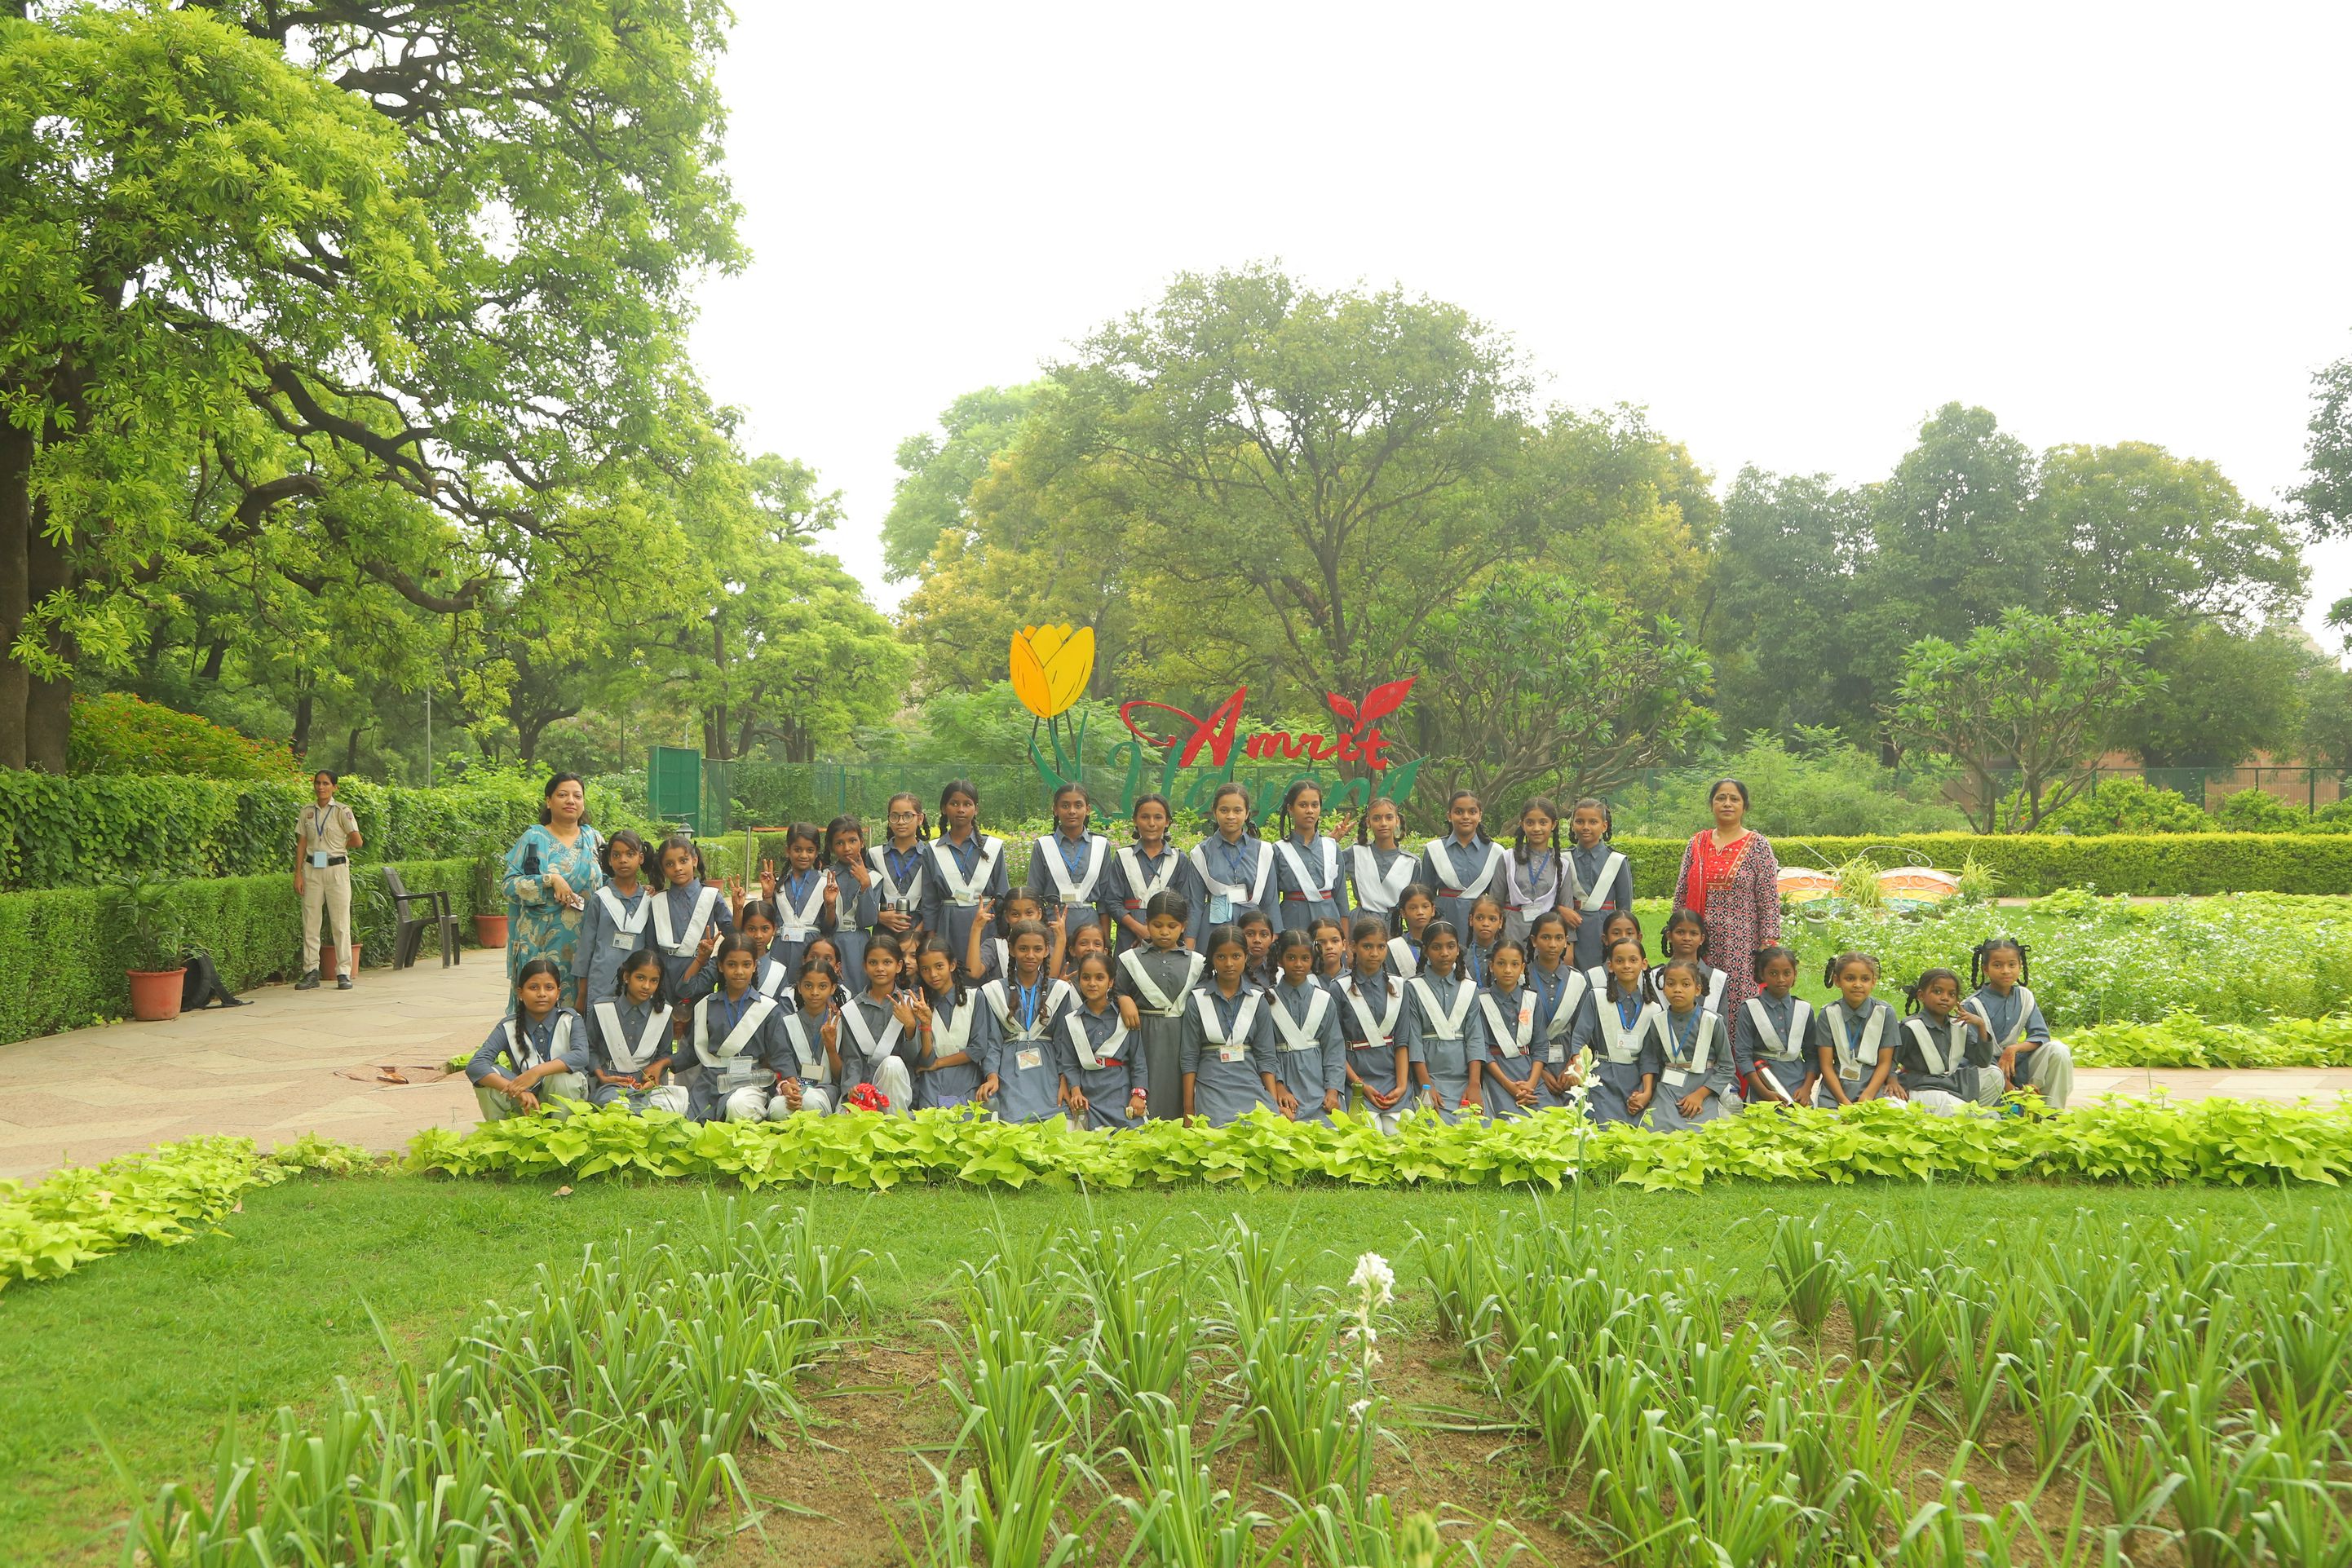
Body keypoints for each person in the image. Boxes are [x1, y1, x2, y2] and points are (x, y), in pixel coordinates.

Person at [1672, 777, 1782, 1018]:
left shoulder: (1758, 845)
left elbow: (1768, 898)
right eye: (1721, 798)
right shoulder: (1697, 843)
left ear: (1744, 806)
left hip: (1741, 944)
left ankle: (1734, 1043)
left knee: (1738, 998)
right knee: (1696, 992)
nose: (1727, 803)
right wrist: (1677, 931)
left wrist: (1767, 943)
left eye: (1734, 799)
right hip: (1698, 940)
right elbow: (1681, 892)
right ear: (1712, 804)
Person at [500, 773, 604, 998]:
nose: (571, 801)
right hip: (540, 941)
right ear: (549, 801)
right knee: (541, 1004)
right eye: (563, 795)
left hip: (585, 940)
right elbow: (508, 886)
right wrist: (549, 880)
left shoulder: (594, 839)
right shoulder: (534, 838)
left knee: (580, 1005)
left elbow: (611, 881)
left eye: (577, 796)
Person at [1114, 890, 1205, 1120]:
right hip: (1143, 1035)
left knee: (1179, 1089)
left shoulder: (1197, 963)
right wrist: (1123, 999)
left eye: (1172, 926)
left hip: (1183, 1035)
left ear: (1184, 926)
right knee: (1146, 1083)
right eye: (1157, 925)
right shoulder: (1130, 959)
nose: (1164, 932)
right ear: (1146, 923)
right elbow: (1118, 990)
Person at [467, 956, 590, 1120]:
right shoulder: (508, 1026)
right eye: (533, 987)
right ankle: (502, 1131)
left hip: (562, 1099)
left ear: (558, 992)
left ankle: (563, 1130)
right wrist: (518, 1090)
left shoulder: (570, 1019)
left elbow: (581, 1055)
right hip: (523, 1103)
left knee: (563, 1078)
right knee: (488, 1079)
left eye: (549, 988)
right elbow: (476, 1065)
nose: (542, 994)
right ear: (520, 993)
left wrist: (536, 1072)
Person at [1180, 924, 1277, 1126]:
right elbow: (1189, 1058)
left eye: (1236, 956)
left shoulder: (1257, 999)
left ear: (1246, 957)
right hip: (1211, 1086)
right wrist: (1188, 1109)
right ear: (1212, 958)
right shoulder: (1197, 999)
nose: (1229, 963)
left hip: (1250, 1083)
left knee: (1263, 1131)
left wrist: (1273, 1103)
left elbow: (1266, 1056)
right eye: (1221, 957)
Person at [978, 917, 1071, 1124]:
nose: (1030, 955)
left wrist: (1066, 1080)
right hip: (1009, 1071)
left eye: (1037, 949)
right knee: (1012, 1122)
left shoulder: (1059, 991)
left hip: (1049, 1073)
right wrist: (992, 1076)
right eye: (1023, 949)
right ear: (1011, 950)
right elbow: (992, 1042)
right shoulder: (994, 991)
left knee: (1056, 1123)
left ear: (1046, 951)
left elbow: (1064, 1042)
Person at [1967, 938, 2076, 1110]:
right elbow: (1974, 1055)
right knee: (1995, 1089)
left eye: (2012, 965)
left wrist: (2013, 1049)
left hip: (2016, 1062)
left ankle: (2051, 1112)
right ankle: (2017, 1101)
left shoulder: (2025, 997)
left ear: (2020, 966)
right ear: (1985, 969)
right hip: (1986, 1068)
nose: (2006, 971)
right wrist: (2011, 1089)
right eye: (1997, 965)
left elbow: (2040, 1036)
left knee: (2058, 1050)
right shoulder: (1972, 1005)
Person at [1400, 919, 1488, 1124]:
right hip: (1429, 1077)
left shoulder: (1469, 989)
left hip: (1464, 1078)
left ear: (1458, 949)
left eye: (1451, 946)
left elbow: (1475, 1038)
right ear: (1425, 951)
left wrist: (1474, 1084)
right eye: (1436, 947)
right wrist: (1426, 1086)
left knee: (1477, 1126)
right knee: (1432, 1124)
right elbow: (1414, 1040)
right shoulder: (1413, 988)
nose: (1444, 953)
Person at [581, 948, 690, 1114]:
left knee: (671, 1107)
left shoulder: (664, 1013)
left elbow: (664, 1053)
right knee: (618, 1109)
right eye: (640, 978)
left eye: (654, 981)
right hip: (609, 1083)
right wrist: (602, 1076)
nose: (646, 986)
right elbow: (589, 1048)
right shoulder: (603, 1009)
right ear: (627, 977)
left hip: (645, 1086)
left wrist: (651, 1079)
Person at [1571, 936, 1663, 1126]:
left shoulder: (1653, 1009)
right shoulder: (1596, 998)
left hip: (1636, 1080)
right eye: (1620, 961)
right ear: (1610, 966)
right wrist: (1578, 1065)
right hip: (1602, 1077)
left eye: (1633, 960)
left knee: (1636, 1129)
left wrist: (1646, 1092)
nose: (1626, 965)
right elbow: (1580, 1037)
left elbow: (1649, 1057)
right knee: (1604, 1127)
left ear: (1644, 964)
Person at [922, 779, 1009, 965]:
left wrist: (1004, 931)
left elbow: (1002, 893)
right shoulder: (933, 850)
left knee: (983, 970)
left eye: (967, 804)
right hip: (948, 926)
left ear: (976, 809)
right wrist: (931, 937)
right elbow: (930, 900)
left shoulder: (992, 847)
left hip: (986, 924)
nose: (961, 809)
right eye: (954, 804)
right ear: (944, 808)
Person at [1338, 915, 1412, 1133]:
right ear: (1353, 947)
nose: (1374, 953)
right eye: (1367, 946)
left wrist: (1402, 1086)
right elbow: (1335, 1047)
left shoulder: (1400, 987)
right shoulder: (1339, 988)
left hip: (1393, 1079)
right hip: (1357, 1080)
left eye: (1381, 946)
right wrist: (1359, 1085)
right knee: (1369, 1133)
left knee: (1399, 1133)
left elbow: (1402, 1042)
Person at [1264, 928, 1345, 1124]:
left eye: (1305, 958)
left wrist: (1333, 1090)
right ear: (1280, 959)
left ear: (1313, 960)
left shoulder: (1324, 999)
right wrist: (1279, 1087)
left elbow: (1334, 1049)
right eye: (1291, 958)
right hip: (1282, 1084)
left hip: (1318, 1084)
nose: (1298, 964)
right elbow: (1265, 1051)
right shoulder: (1267, 1000)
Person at [1060, 950, 1148, 1131]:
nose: (1092, 983)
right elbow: (1069, 1064)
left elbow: (1138, 1061)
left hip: (1121, 1094)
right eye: (1086, 978)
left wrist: (1138, 1094)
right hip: (1088, 1098)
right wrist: (1075, 1091)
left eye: (1099, 978)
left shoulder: (1125, 1017)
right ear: (1079, 980)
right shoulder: (1072, 1021)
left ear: (1111, 982)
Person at [1647, 957, 1737, 1130]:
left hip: (1704, 1087)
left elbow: (1727, 1067)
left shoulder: (1713, 1021)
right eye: (1671, 984)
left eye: (1685, 984)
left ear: (1697, 990)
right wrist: (1646, 1091)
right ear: (1663, 989)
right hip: (1667, 1090)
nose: (1677, 989)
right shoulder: (1658, 1021)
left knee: (1703, 1131)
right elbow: (1652, 1061)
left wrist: (1700, 1095)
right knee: (1656, 1128)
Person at [1898, 968, 2004, 1115]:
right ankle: (1973, 1116)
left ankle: (1973, 1114)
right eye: (1937, 992)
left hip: (1949, 1082)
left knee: (1994, 1074)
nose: (1945, 998)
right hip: (1922, 1087)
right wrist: (1892, 1081)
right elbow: (1889, 1060)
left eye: (1952, 994)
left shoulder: (1958, 1025)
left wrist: (1981, 1025)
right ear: (1921, 995)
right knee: (1959, 1109)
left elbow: (1983, 1061)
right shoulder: (1911, 1027)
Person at [294, 769, 363, 991]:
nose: (321, 787)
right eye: (318, 783)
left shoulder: (342, 811)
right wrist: (298, 874)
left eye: (325, 783)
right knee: (311, 922)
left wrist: (338, 847)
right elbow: (302, 844)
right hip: (313, 869)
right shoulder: (307, 812)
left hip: (336, 869)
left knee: (340, 922)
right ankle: (311, 972)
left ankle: (343, 972)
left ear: (334, 787)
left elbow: (357, 840)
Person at [912, 936, 997, 1111]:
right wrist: (926, 1025)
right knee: (931, 1122)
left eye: (939, 966)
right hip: (932, 1082)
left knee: (964, 1121)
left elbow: (978, 1049)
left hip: (967, 1078)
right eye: (925, 969)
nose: (933, 974)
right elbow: (926, 1060)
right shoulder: (919, 1003)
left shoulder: (974, 997)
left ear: (952, 965)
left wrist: (938, 1063)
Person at [838, 939, 920, 1115]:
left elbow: (914, 1058)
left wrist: (910, 1026)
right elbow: (852, 1058)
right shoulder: (853, 1009)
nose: (880, 968)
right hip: (864, 1086)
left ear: (899, 966)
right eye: (873, 962)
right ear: (865, 966)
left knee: (893, 1064)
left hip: (899, 1085)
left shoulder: (910, 1003)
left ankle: (896, 1122)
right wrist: (853, 1086)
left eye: (887, 962)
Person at [574, 828, 654, 1009]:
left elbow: (651, 947)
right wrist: (582, 993)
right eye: (616, 855)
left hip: (639, 984)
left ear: (641, 858)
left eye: (630, 854)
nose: (623, 860)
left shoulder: (649, 900)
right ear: (609, 860)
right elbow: (586, 948)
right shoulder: (600, 899)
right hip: (601, 982)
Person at [1026, 781, 1115, 943]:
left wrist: (1105, 941)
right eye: (1065, 806)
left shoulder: (1101, 845)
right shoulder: (1044, 845)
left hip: (1090, 929)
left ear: (1088, 809)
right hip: (1051, 925)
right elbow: (1034, 896)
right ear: (1055, 809)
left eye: (1078, 805)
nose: (1072, 811)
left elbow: (1105, 900)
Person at [1188, 783, 1275, 947]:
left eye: (1237, 810)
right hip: (1214, 927)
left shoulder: (1263, 851)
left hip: (1254, 928)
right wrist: (1190, 944)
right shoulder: (1201, 853)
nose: (1230, 816)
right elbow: (1195, 904)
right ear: (1214, 812)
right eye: (1224, 810)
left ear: (1247, 813)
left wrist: (1273, 938)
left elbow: (1270, 901)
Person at [649, 833, 731, 1006]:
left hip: (700, 972)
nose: (677, 868)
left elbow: (733, 935)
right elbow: (650, 947)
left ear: (694, 860)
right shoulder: (656, 901)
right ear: (663, 869)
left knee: (699, 1017)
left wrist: (738, 911)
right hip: (664, 974)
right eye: (669, 864)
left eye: (683, 861)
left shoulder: (711, 896)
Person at [1106, 793, 1195, 952]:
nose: (1151, 823)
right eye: (1145, 817)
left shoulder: (1178, 859)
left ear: (1167, 821)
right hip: (1129, 939)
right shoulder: (1123, 857)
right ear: (1135, 820)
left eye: (1158, 817)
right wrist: (1139, 929)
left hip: (1168, 940)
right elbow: (1113, 901)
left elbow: (1185, 903)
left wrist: (1157, 933)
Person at [1811, 952, 1900, 1108]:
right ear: (1837, 981)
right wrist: (1843, 1101)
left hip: (1873, 1086)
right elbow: (1826, 1065)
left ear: (1873, 982)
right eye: (1850, 978)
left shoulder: (1885, 1013)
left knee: (1888, 1115)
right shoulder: (1828, 1013)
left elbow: (1885, 1062)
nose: (1858, 985)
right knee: (1830, 1120)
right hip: (1836, 1089)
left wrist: (1868, 1095)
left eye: (1865, 979)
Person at [1523, 910, 1589, 1110]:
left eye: (1559, 938)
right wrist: (1540, 1072)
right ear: (1534, 941)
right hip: (1530, 1059)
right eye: (1546, 937)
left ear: (1566, 941)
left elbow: (1582, 1028)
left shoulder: (1577, 980)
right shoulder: (1521, 978)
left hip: (1567, 1055)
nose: (1552, 944)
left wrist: (1573, 1064)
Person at [1737, 945, 1815, 1110]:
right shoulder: (1750, 1008)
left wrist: (1806, 1089)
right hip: (1763, 1083)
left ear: (1795, 975)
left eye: (1787, 973)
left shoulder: (1804, 1009)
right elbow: (1743, 1056)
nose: (1781, 979)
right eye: (1773, 973)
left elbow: (1812, 1055)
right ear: (1762, 974)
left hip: (1798, 1085)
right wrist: (1765, 1093)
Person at [1421, 790, 1510, 933]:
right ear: (1449, 816)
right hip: (1442, 921)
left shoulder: (1496, 852)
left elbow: (1497, 898)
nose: (1466, 817)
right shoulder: (1434, 849)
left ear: (1480, 816)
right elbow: (1425, 895)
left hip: (1481, 923)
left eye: (1472, 812)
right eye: (1459, 812)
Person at [757, 823, 838, 979]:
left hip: (811, 951)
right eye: (798, 850)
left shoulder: (825, 884)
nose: (804, 855)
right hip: (780, 951)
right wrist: (767, 895)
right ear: (788, 851)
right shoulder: (778, 884)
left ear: (816, 852)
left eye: (810, 850)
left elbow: (828, 928)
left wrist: (830, 905)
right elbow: (770, 920)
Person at [1271, 779, 1350, 934]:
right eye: (1303, 805)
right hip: (1293, 922)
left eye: (1315, 805)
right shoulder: (1278, 850)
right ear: (1290, 808)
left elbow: (1341, 898)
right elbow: (1272, 899)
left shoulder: (1332, 847)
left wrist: (1345, 940)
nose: (1310, 811)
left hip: (1329, 922)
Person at [771, 958, 846, 1119]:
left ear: (833, 988)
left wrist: (831, 1047)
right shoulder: (786, 1023)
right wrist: (793, 1090)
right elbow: (782, 1059)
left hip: (826, 1088)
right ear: (799, 987)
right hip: (795, 1085)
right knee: (778, 1108)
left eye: (822, 986)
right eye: (808, 986)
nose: (815, 992)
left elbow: (841, 1076)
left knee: (811, 1101)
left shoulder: (841, 1024)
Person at [1477, 938, 1542, 1120]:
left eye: (1514, 964)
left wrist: (1531, 1084)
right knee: (1508, 1121)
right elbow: (1482, 1049)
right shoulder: (1481, 1000)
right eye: (1501, 963)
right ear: (1491, 966)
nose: (1507, 970)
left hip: (1530, 1073)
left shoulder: (1532, 999)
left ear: (1522, 968)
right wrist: (1509, 1085)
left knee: (1547, 1120)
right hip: (1497, 1073)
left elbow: (1541, 1047)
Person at [1566, 798, 1633, 972]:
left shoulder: (1617, 860)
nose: (1586, 827)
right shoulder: (1563, 859)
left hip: (1605, 929)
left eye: (1593, 822)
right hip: (1572, 929)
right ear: (1572, 825)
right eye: (1580, 821)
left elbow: (1625, 908)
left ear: (1604, 826)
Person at [1503, 797, 1570, 948]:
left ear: (1554, 824)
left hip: (1546, 938)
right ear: (1522, 825)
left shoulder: (1562, 864)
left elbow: (1567, 911)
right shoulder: (1508, 858)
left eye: (1543, 822)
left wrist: (1569, 946)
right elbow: (1495, 902)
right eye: (1530, 823)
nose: (1536, 828)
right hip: (1511, 932)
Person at [869, 792, 931, 947]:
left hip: (918, 934)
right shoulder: (874, 855)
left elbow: (935, 902)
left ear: (920, 819)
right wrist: (879, 916)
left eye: (908, 816)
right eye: (895, 816)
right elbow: (865, 899)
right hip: (883, 935)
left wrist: (916, 934)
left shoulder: (931, 855)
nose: (901, 822)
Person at [823, 815, 878, 983]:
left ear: (862, 842)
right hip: (831, 943)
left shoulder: (874, 877)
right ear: (831, 847)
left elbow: (867, 920)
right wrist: (830, 906)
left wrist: (865, 885)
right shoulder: (824, 877)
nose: (847, 848)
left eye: (852, 841)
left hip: (860, 944)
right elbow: (825, 925)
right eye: (839, 843)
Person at [1347, 795, 1418, 921]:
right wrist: (1333, 839)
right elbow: (1327, 866)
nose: (1383, 823)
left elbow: (1415, 902)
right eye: (1377, 818)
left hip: (1393, 925)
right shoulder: (1356, 853)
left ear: (1397, 821)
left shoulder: (1411, 862)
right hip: (1361, 923)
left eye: (1389, 817)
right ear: (1368, 822)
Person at [1652, 908, 1728, 1016]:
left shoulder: (1717, 979)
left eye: (1693, 933)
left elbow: (1723, 1024)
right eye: (1680, 932)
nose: (1687, 938)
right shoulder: (1654, 978)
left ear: (1702, 939)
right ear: (1669, 936)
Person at [1386, 884, 1437, 979]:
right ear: (1403, 913)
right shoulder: (1394, 947)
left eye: (1425, 907)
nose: (1420, 912)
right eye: (1413, 908)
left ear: (1433, 910)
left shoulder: (1444, 942)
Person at [1462, 892, 1507, 988]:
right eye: (1479, 918)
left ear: (1500, 922)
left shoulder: (1507, 955)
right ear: (1471, 920)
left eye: (1492, 919)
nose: (1486, 924)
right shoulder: (1463, 957)